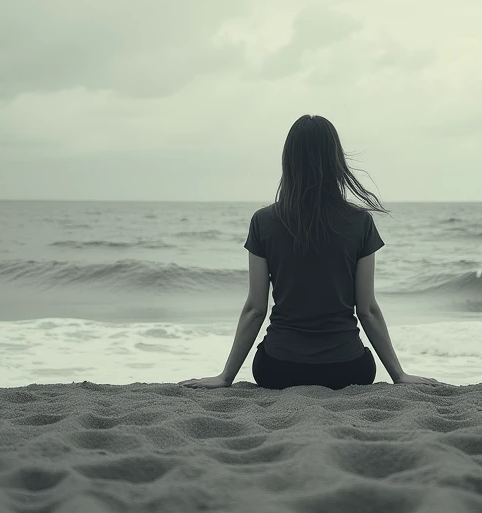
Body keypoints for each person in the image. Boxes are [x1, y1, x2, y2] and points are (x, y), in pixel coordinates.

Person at [178, 114, 441, 390]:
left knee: (267, 357)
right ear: (336, 160)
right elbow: (367, 310)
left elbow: (256, 309)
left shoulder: (263, 221)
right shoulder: (360, 222)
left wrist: (225, 377)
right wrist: (399, 375)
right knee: (360, 360)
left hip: (277, 369)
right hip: (348, 370)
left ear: (288, 160)